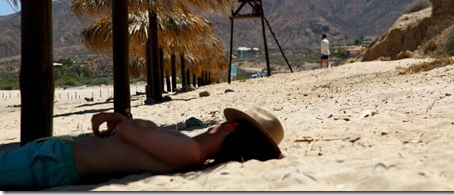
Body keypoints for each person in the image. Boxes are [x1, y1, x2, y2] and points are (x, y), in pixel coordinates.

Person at [0, 107, 283, 190]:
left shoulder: (189, 152)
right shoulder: (188, 148)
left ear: (231, 128)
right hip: (56, 157)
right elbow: (134, 133)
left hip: (53, 161)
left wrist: (123, 121)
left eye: (228, 122)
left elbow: (127, 131)